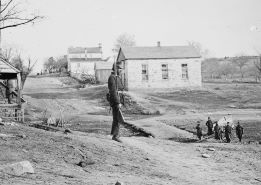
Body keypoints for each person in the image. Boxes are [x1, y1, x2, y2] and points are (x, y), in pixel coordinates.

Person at [108, 63, 124, 143]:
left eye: (121, 69)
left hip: (118, 100)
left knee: (117, 117)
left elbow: (120, 89)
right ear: (115, 69)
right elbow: (113, 91)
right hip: (115, 100)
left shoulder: (116, 77)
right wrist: (117, 102)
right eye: (119, 69)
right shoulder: (112, 78)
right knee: (117, 118)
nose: (121, 70)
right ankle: (115, 135)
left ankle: (115, 134)